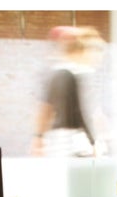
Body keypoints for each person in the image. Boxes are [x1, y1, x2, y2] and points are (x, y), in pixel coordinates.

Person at [32, 27, 104, 156]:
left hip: (56, 142)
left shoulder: (54, 72)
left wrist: (39, 137)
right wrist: (94, 142)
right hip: (77, 142)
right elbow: (85, 112)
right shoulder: (82, 73)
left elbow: (45, 109)